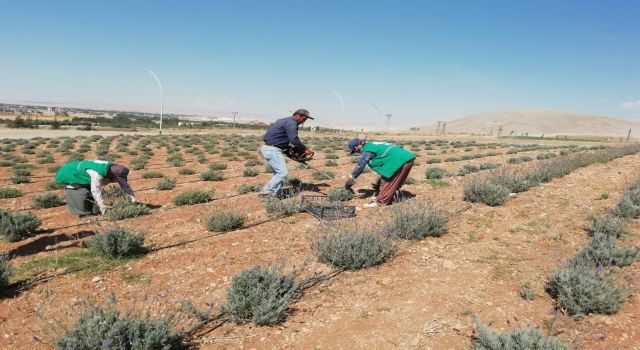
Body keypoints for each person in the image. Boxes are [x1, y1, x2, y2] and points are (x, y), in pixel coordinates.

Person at [346, 137, 415, 207]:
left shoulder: (366, 151)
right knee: (393, 180)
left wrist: (351, 178)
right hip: (407, 157)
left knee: (387, 180)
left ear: (358, 147)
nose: (357, 153)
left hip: (399, 160)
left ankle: (380, 202)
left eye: (355, 151)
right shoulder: (371, 144)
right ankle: (390, 195)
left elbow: (359, 167)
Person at [260, 108, 314, 198]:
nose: (304, 121)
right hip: (273, 149)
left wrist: (286, 148)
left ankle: (278, 194)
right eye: (304, 118)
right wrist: (304, 149)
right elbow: (294, 139)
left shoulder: (282, 120)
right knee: (282, 173)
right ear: (297, 115)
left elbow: (274, 134)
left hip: (268, 148)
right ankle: (265, 192)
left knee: (278, 173)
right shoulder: (292, 123)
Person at [54, 160, 136, 217]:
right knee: (81, 191)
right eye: (113, 180)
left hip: (81, 173)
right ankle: (83, 213)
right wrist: (102, 206)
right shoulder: (97, 174)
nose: (112, 182)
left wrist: (131, 196)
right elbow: (95, 190)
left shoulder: (112, 167)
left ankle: (94, 210)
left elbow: (124, 185)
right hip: (68, 174)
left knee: (93, 198)